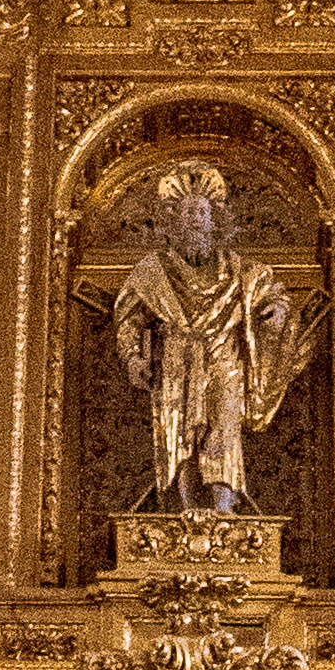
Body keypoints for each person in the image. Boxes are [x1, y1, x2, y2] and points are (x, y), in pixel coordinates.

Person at [113, 165, 315, 510]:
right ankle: (189, 512)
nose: (195, 219)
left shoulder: (241, 271)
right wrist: (133, 356)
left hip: (225, 360)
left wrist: (277, 312)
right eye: (188, 212)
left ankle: (223, 512)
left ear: (215, 220)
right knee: (180, 435)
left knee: (222, 432)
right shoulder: (152, 272)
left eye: (202, 212)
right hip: (176, 361)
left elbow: (272, 295)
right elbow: (129, 317)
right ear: (174, 220)